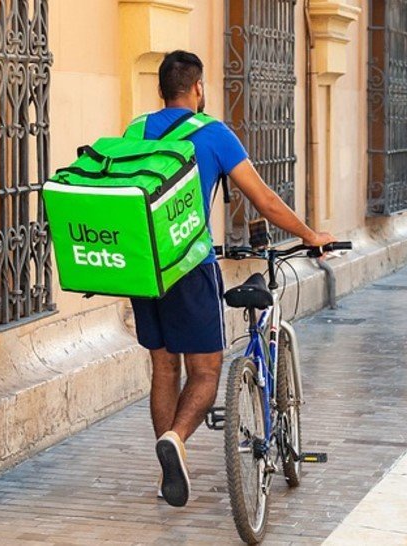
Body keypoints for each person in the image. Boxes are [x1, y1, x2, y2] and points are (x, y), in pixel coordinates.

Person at [129, 50, 336, 508]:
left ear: (160, 90)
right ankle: (175, 441)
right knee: (206, 370)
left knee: (164, 367)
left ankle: (167, 470)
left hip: (144, 270)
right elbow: (264, 200)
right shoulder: (214, 134)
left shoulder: (136, 130)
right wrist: (310, 235)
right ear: (198, 88)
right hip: (190, 267)